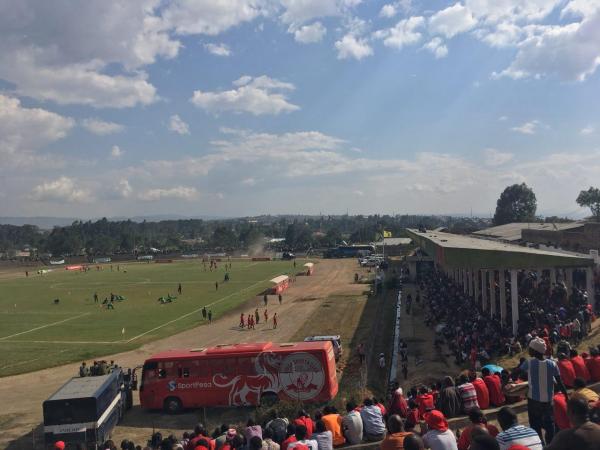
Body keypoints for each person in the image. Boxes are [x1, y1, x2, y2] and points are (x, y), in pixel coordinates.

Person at [519, 337, 567, 443]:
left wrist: (505, 382)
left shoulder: (529, 363)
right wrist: (566, 396)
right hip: (548, 401)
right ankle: (551, 444)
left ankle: (540, 444)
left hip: (533, 401)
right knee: (549, 424)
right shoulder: (552, 363)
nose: (529, 351)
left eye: (530, 349)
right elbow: (560, 382)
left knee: (535, 425)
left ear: (535, 350)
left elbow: (516, 373)